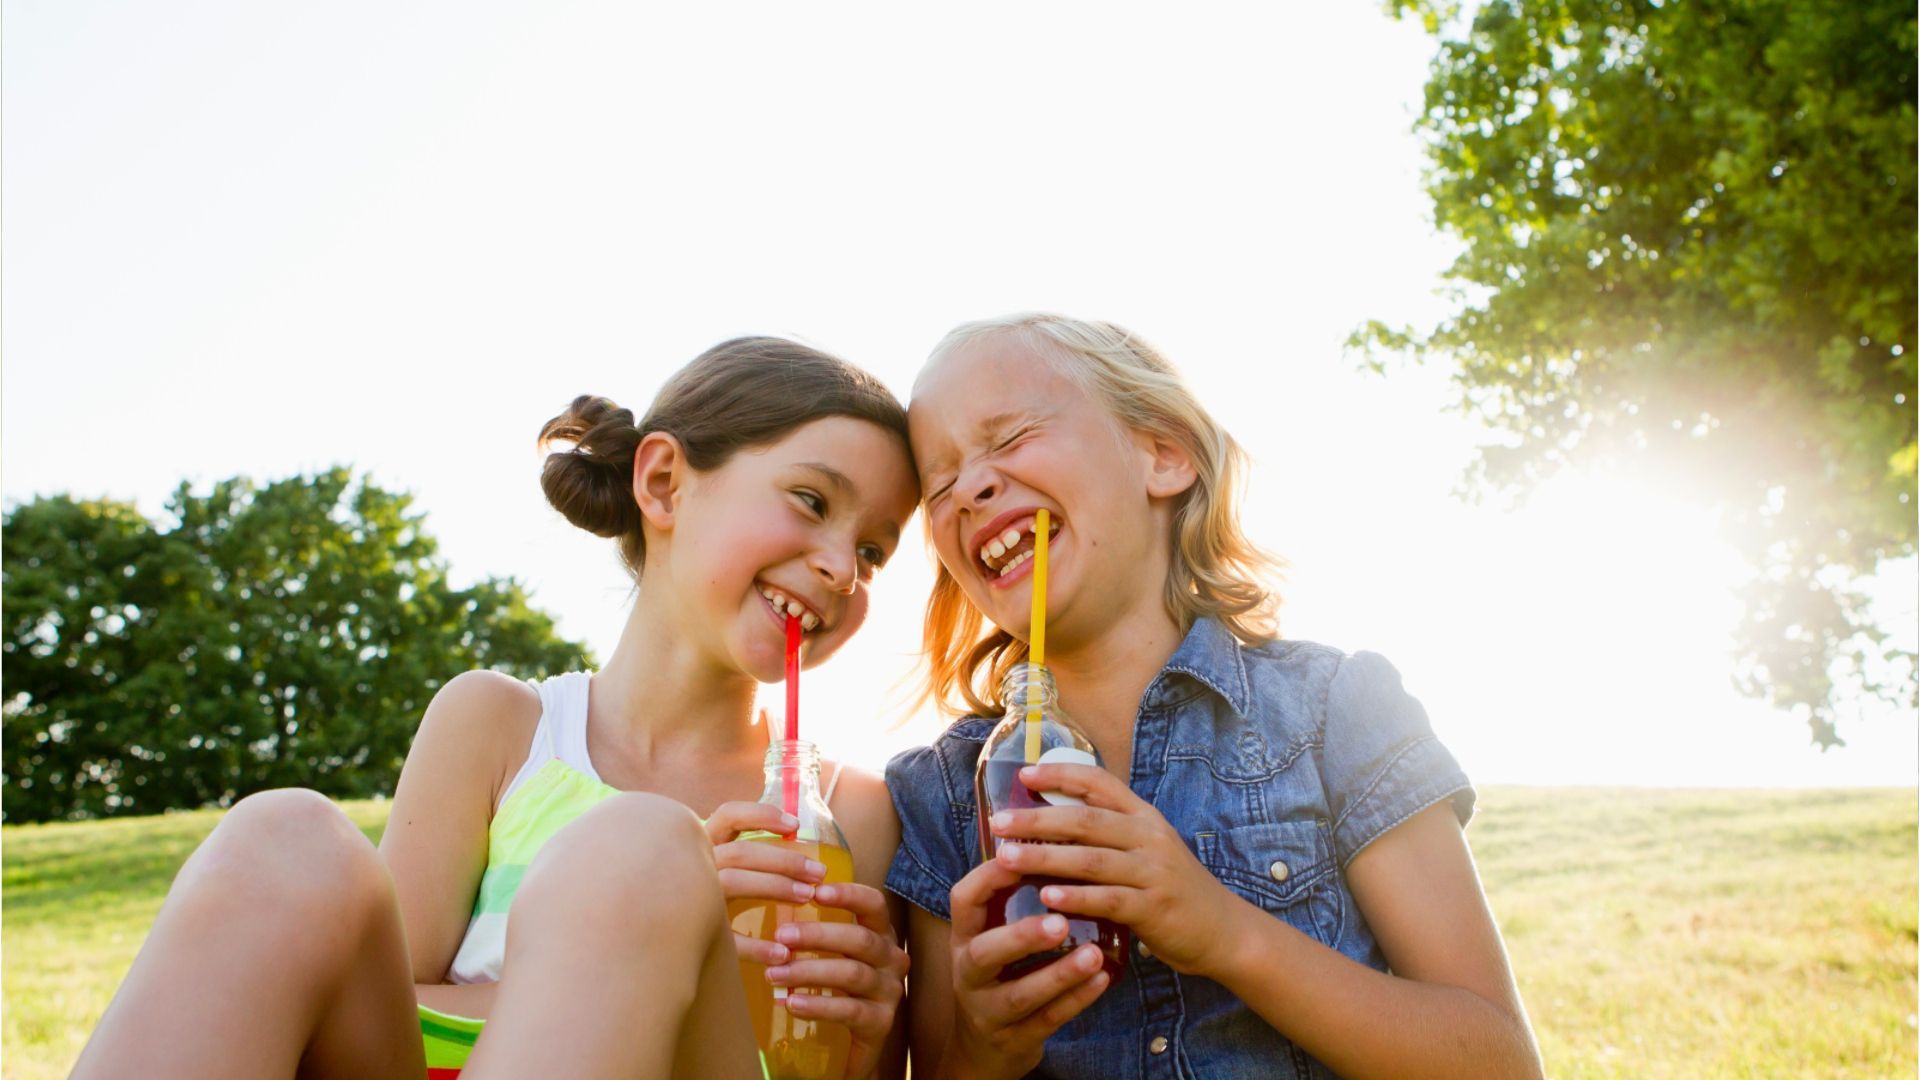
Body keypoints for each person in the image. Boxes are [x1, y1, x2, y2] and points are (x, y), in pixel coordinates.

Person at [73, 336, 919, 1080]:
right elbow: (366, 999)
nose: (843, 568)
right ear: (663, 482)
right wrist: (630, 953)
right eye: (812, 501)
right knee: (283, 835)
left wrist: (868, 1040)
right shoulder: (497, 728)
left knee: (642, 848)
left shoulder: (845, 816)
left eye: (875, 551)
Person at [885, 314, 1543, 1079]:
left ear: (1164, 455)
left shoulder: (1335, 711)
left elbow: (1500, 1062)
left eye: (1010, 437)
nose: (970, 488)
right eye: (939, 485)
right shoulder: (939, 796)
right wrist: (983, 1046)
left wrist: (1225, 932)